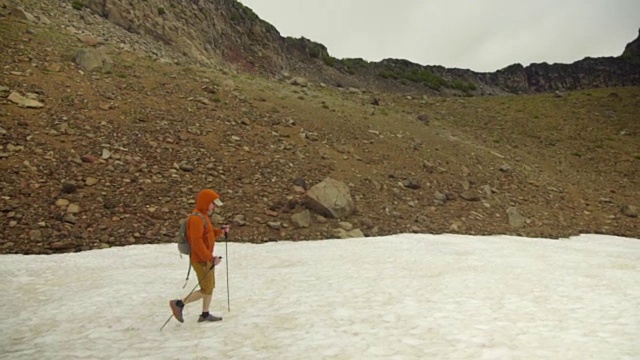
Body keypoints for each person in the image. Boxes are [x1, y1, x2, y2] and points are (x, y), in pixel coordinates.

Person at [169, 189, 229, 323]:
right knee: (206, 289)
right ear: (206, 203)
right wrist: (210, 258)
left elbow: (208, 234)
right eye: (213, 204)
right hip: (201, 260)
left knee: (210, 286)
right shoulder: (196, 219)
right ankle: (179, 304)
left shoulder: (203, 216)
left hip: (206, 259)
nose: (214, 207)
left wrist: (220, 231)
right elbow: (197, 242)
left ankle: (205, 314)